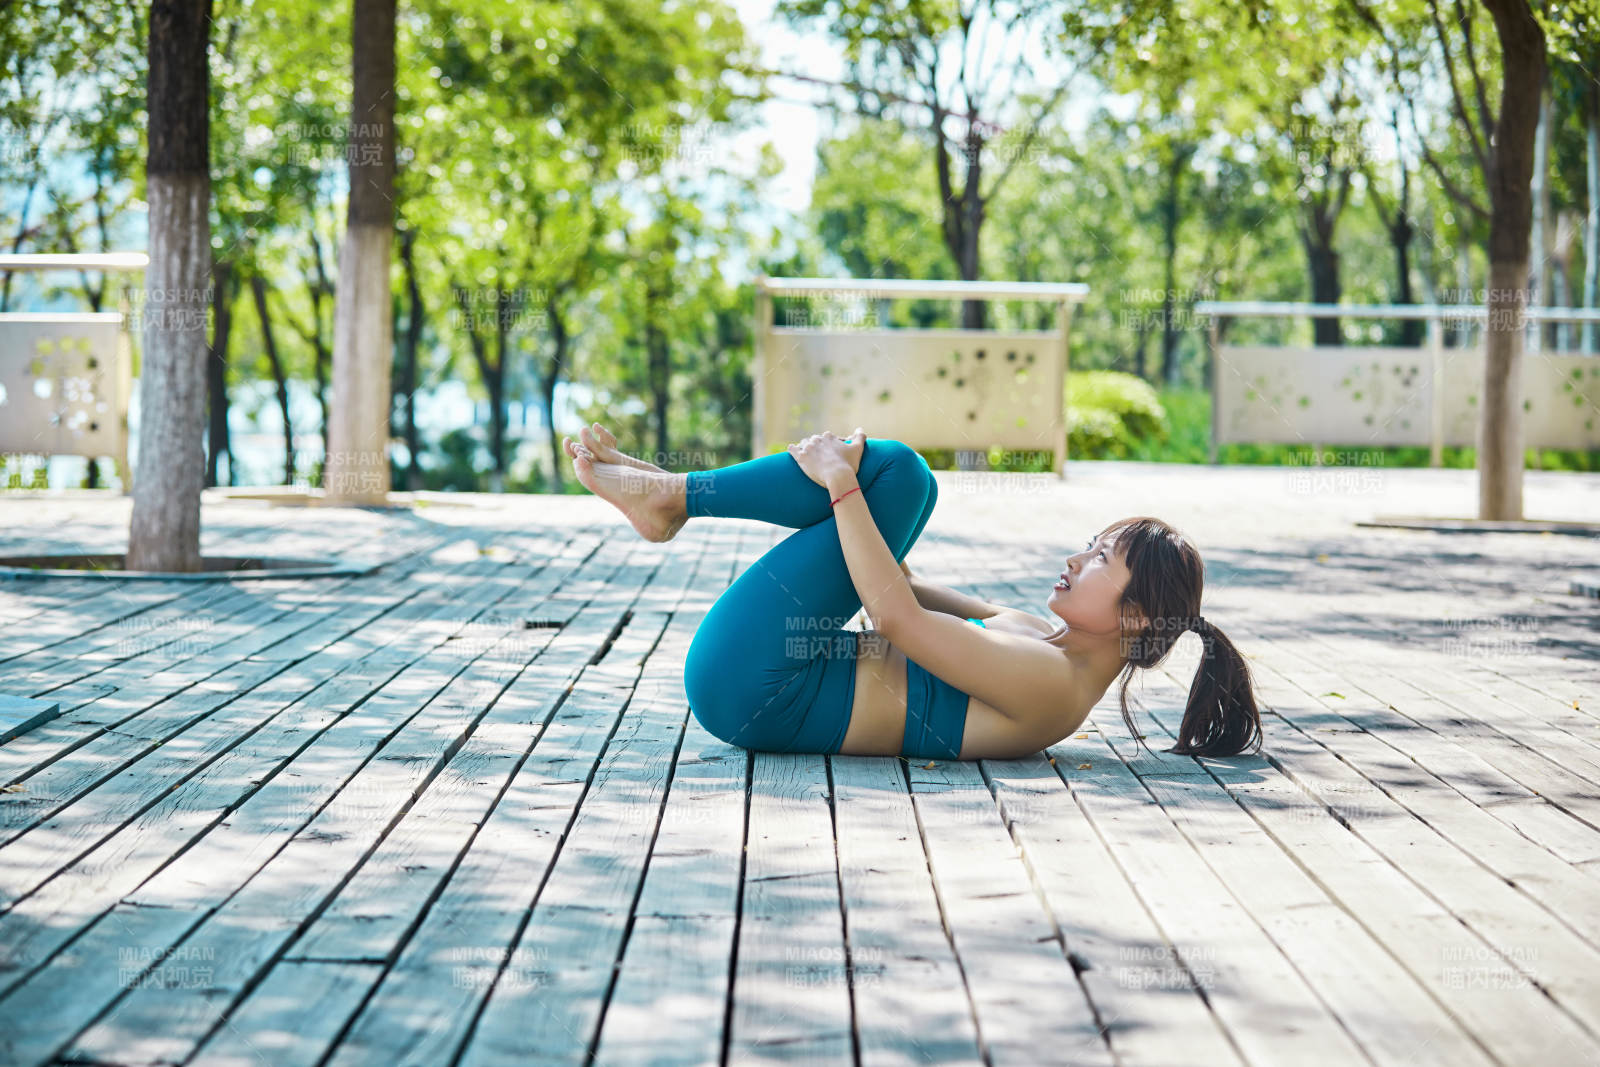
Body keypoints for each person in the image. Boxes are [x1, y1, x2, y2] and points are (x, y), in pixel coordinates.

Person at [563, 422, 1263, 762]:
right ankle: (671, 493)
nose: (1076, 559)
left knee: (896, 473)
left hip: (754, 689)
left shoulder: (1053, 683)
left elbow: (895, 617)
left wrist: (843, 482)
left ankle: (673, 496)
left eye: (1100, 559)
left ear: (1134, 617)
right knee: (909, 483)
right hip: (771, 674)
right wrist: (861, 497)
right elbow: (900, 584)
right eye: (1088, 545)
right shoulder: (1036, 634)